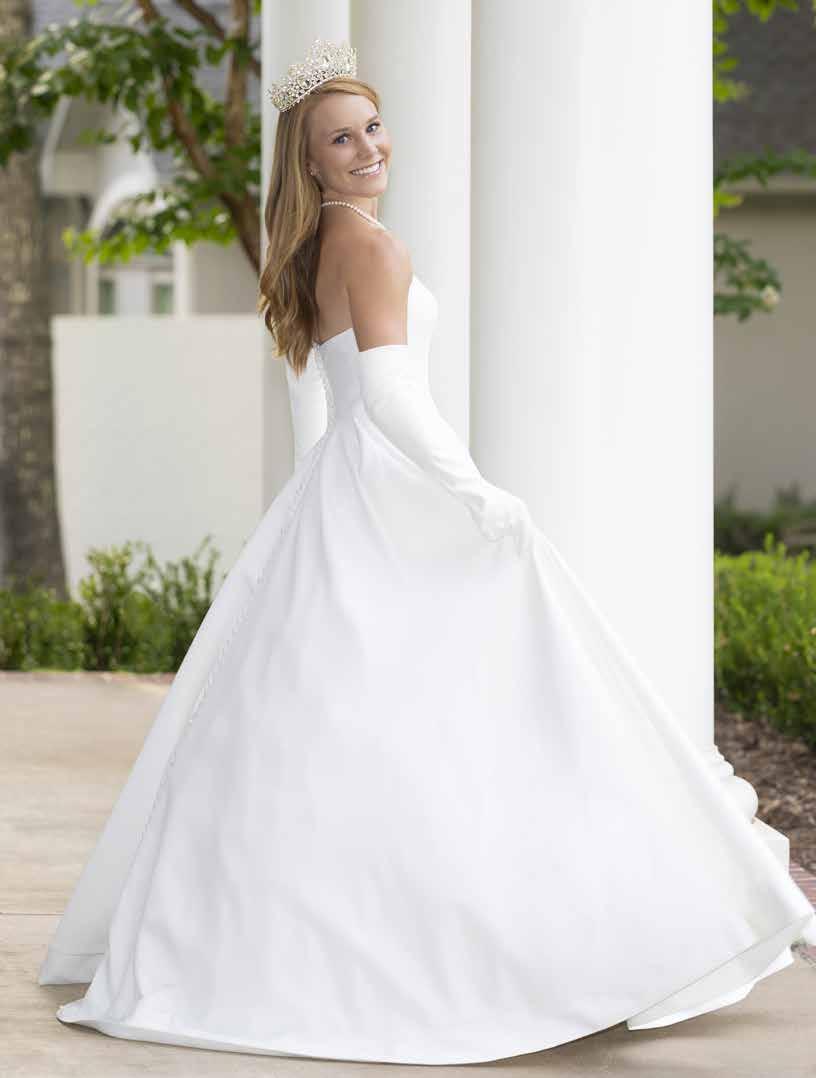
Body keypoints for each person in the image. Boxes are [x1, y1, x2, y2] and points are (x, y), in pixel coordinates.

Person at [40, 37, 816, 1066]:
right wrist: (480, 498)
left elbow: (345, 398)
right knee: (469, 708)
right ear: (308, 160)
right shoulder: (370, 246)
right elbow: (394, 400)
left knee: (350, 727)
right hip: (384, 489)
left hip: (340, 492)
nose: (368, 148)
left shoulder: (317, 248)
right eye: (340, 140)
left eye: (371, 128)